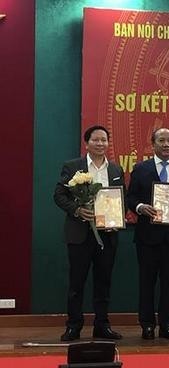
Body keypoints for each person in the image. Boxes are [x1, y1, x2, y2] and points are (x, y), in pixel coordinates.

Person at [53, 125, 124, 341]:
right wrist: (76, 210)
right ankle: (74, 325)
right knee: (77, 283)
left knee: (104, 283)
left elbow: (121, 197)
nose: (101, 143)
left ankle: (102, 325)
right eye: (96, 140)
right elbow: (59, 195)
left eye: (104, 140)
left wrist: (116, 218)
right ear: (87, 143)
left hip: (108, 235)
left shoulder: (115, 170)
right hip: (79, 235)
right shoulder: (73, 166)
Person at [127, 128, 169, 340]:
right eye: (162, 140)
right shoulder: (141, 168)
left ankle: (167, 325)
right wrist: (140, 207)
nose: (166, 144)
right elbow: (130, 197)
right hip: (147, 236)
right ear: (153, 144)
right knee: (146, 282)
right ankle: (147, 325)